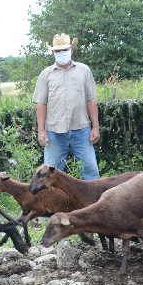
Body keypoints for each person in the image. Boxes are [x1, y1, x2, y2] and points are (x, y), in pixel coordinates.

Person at [33, 33, 100, 179]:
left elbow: (91, 100)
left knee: (90, 170)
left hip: (82, 130)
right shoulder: (46, 74)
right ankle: (53, 202)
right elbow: (41, 103)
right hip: (54, 132)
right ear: (53, 52)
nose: (61, 53)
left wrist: (95, 127)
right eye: (57, 51)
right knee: (49, 175)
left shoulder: (84, 71)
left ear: (71, 49)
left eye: (64, 50)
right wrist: (41, 131)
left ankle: (94, 201)